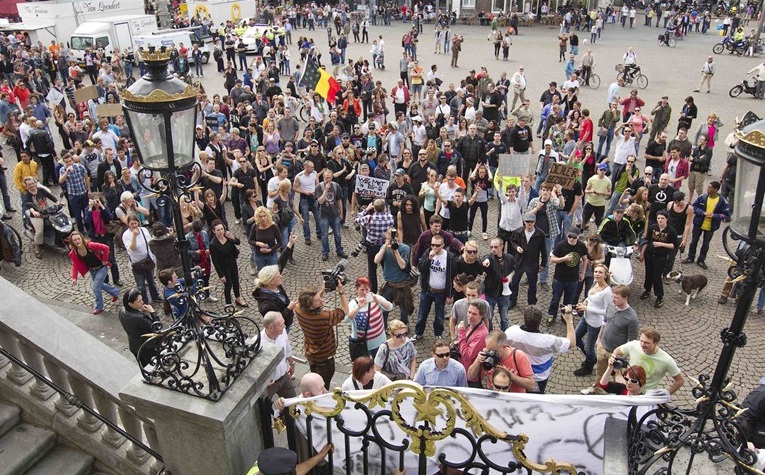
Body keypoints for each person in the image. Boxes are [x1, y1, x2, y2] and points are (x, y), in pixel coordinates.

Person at [506, 305, 575, 393]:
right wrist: (569, 321)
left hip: (516, 374)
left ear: (524, 319)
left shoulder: (511, 331)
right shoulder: (548, 341)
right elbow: (572, 343)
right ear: (539, 322)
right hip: (537, 379)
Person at [294, 283, 350, 389]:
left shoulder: (298, 309)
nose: (321, 300)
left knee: (314, 377)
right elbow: (346, 311)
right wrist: (341, 292)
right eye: (317, 300)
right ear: (310, 305)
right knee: (322, 385)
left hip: (310, 353)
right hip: (324, 358)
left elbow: (309, 301)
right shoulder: (324, 317)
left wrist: (322, 290)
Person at [612, 327, 684, 394]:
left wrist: (666, 394)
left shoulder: (666, 360)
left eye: (646, 343)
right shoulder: (633, 345)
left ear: (656, 343)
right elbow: (616, 352)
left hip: (646, 395)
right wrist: (618, 374)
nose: (642, 345)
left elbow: (680, 380)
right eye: (641, 341)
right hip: (628, 389)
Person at [574, 263, 613, 377]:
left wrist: (588, 308)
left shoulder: (607, 292)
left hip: (595, 323)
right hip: (586, 317)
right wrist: (584, 302)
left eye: (600, 272)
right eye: (596, 271)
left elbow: (608, 312)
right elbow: (590, 296)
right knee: (576, 338)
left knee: (589, 347)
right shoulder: (595, 282)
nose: (597, 274)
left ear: (605, 275)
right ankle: (591, 359)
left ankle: (588, 367)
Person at [413, 234, 453, 342]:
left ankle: (438, 334)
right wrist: (429, 259)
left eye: (437, 245)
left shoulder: (449, 257)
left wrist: (450, 294)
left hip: (441, 292)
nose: (434, 247)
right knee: (422, 314)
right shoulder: (427, 253)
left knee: (439, 316)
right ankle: (418, 333)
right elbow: (421, 268)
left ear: (443, 245)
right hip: (427, 290)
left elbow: (451, 276)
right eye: (432, 245)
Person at [68, 230, 119, 315]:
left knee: (95, 287)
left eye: (78, 239)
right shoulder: (74, 252)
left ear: (81, 238)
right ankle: (115, 292)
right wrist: (74, 278)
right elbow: (75, 264)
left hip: (102, 268)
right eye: (75, 240)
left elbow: (106, 248)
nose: (77, 241)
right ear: (72, 242)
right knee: (100, 285)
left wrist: (104, 260)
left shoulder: (90, 245)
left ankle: (99, 307)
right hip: (93, 271)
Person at [467, 330, 535, 392]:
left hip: (513, 399)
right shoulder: (486, 355)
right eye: (488, 349)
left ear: (504, 346)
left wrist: (509, 375)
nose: (491, 353)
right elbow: (470, 377)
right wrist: (477, 361)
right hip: (493, 396)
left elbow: (531, 385)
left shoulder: (519, 356)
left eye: (494, 351)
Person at [684, 182, 730, 270]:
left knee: (706, 244)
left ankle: (701, 259)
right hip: (698, 224)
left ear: (715, 189)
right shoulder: (702, 197)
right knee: (694, 241)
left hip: (710, 226)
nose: (707, 189)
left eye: (709, 188)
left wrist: (714, 216)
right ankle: (691, 257)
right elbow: (694, 207)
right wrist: (703, 213)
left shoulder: (722, 201)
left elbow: (726, 215)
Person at [547, 227, 588, 324]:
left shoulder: (581, 246)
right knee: (555, 299)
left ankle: (565, 316)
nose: (571, 239)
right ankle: (552, 315)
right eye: (569, 236)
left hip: (573, 279)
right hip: (559, 278)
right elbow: (552, 259)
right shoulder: (560, 245)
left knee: (568, 300)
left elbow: (585, 259)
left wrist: (583, 273)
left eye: (574, 237)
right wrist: (564, 259)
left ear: (578, 237)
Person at [346, 276, 393, 360]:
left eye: (367, 289)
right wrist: (358, 308)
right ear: (356, 290)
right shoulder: (353, 304)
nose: (365, 292)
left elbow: (389, 307)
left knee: (380, 364)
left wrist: (378, 301)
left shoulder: (375, 298)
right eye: (362, 290)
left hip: (379, 341)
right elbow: (346, 320)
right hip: (362, 344)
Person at [640, 210, 678, 308]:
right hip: (649, 254)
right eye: (658, 218)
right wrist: (642, 253)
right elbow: (647, 240)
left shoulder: (671, 231)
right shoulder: (653, 227)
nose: (660, 220)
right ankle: (647, 290)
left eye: (662, 218)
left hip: (661, 257)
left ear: (666, 219)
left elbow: (674, 245)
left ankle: (659, 296)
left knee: (656, 276)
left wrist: (661, 244)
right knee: (648, 274)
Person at [375, 228, 413, 324]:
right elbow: (376, 260)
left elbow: (403, 265)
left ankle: (404, 327)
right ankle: (383, 328)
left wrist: (395, 250)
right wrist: (384, 247)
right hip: (389, 284)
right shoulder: (384, 248)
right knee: (384, 309)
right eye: (389, 237)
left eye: (395, 237)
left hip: (402, 284)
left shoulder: (405, 248)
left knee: (404, 310)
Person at [509, 213, 547, 309]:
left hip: (532, 262)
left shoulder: (540, 234)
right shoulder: (518, 232)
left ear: (535, 222)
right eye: (527, 222)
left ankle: (531, 303)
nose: (529, 224)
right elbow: (512, 241)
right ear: (524, 222)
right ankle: (512, 300)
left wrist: (543, 263)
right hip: (519, 261)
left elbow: (543, 249)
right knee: (514, 282)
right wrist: (517, 247)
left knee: (532, 284)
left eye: (531, 222)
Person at [122, 216, 162, 305]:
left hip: (147, 260)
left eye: (135, 223)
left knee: (151, 281)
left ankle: (155, 296)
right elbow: (132, 248)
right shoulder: (126, 235)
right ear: (128, 224)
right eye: (131, 224)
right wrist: (134, 236)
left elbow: (150, 242)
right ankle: (144, 301)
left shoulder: (144, 230)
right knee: (141, 285)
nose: (134, 225)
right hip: (137, 263)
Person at [209, 219, 248, 307]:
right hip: (224, 267)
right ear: (213, 231)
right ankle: (228, 304)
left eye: (222, 229)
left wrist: (232, 237)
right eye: (218, 230)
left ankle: (238, 299)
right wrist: (221, 275)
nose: (220, 231)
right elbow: (215, 261)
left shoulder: (227, 236)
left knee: (236, 282)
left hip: (232, 263)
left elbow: (238, 242)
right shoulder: (213, 244)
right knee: (228, 285)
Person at [261, 311, 298, 399]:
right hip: (270, 384)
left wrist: (292, 363)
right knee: (265, 407)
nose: (284, 327)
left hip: (283, 376)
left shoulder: (282, 332)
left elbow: (287, 348)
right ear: (271, 328)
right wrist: (264, 381)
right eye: (281, 325)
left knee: (292, 401)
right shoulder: (259, 344)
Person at [118, 289, 160, 367]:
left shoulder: (122, 311)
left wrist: (139, 310)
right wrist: (152, 312)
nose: (142, 302)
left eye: (141, 299)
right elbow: (157, 327)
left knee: (144, 366)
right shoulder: (140, 318)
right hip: (147, 347)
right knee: (153, 366)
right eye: (139, 301)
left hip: (134, 345)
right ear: (130, 304)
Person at [481, 237, 515, 331]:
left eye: (496, 247)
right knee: (489, 317)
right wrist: (486, 262)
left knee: (504, 318)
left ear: (502, 247)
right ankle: (490, 334)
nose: (493, 249)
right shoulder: (490, 258)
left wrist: (510, 277)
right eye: (491, 247)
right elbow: (486, 258)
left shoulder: (509, 258)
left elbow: (514, 269)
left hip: (504, 294)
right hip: (490, 293)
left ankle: (505, 334)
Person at [253, 265, 296, 332]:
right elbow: (275, 320)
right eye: (278, 277)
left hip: (287, 321)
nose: (281, 277)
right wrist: (289, 308)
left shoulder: (276, 286)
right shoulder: (267, 305)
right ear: (271, 281)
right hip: (280, 328)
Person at [317, 169, 348, 261]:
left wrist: (341, 213)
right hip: (324, 214)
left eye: (330, 178)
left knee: (337, 234)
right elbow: (320, 201)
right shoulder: (319, 187)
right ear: (323, 177)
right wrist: (325, 191)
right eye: (326, 178)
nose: (328, 180)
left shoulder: (336, 186)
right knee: (324, 235)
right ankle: (325, 252)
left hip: (334, 214)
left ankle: (339, 250)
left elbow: (339, 200)